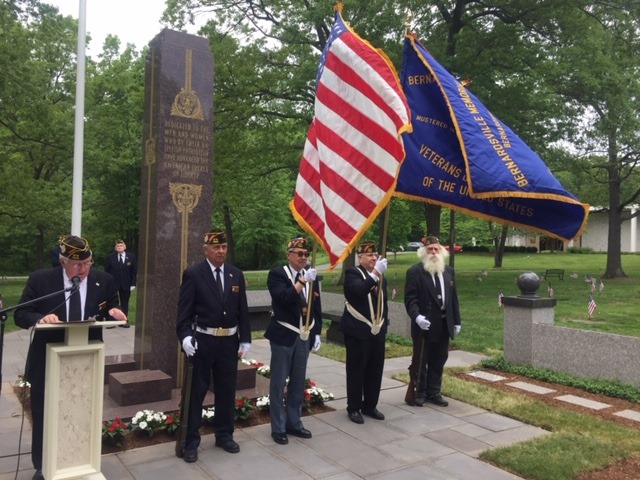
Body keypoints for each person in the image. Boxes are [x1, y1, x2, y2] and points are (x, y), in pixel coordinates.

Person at [14, 235, 127, 480]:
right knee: (45, 414)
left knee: (83, 412)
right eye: (77, 265)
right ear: (63, 261)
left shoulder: (104, 280)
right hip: (47, 360)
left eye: (88, 263)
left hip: (86, 361)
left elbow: (111, 307)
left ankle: (81, 462)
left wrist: (115, 312)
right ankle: (43, 466)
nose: (84, 269)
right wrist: (40, 318)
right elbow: (21, 314)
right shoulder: (41, 280)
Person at [176, 229, 251, 462]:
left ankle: (224, 435)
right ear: (206, 249)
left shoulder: (235, 274)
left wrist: (246, 338)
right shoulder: (194, 274)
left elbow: (242, 309)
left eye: (224, 247)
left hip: (228, 342)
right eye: (216, 247)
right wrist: (185, 337)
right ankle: (190, 441)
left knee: (226, 390)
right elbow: (183, 314)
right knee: (195, 392)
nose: (221, 251)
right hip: (203, 342)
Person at [265, 237, 322, 445]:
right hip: (284, 335)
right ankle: (278, 427)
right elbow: (284, 298)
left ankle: (294, 423)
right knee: (278, 383)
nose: (303, 257)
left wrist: (317, 332)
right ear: (288, 255)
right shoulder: (277, 274)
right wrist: (302, 281)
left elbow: (316, 307)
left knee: (298, 383)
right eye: (299, 254)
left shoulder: (310, 275)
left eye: (305, 254)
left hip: (304, 336)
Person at [404, 235, 461, 407]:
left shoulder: (448, 271)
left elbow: (453, 299)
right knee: (422, 360)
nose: (433, 252)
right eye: (430, 249)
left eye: (436, 249)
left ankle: (434, 392)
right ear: (423, 252)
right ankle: (419, 392)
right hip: (425, 325)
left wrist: (456, 321)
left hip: (444, 323)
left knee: (439, 358)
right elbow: (410, 299)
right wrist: (417, 316)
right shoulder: (415, 272)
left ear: (441, 251)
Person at [340, 241, 389, 424]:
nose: (374, 258)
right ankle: (354, 408)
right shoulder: (352, 273)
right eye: (369, 255)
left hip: (377, 331)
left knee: (375, 371)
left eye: (375, 255)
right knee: (356, 371)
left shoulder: (381, 277)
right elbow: (359, 292)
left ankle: (370, 405)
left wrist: (383, 326)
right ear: (360, 258)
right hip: (357, 331)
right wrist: (375, 274)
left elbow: (383, 303)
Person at [104, 239, 137, 327]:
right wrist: (106, 283)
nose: (119, 247)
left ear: (125, 247)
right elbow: (106, 271)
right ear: (115, 248)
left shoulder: (131, 257)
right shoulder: (110, 257)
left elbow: (133, 272)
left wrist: (133, 284)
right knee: (112, 303)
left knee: (124, 303)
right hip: (113, 284)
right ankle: (111, 322)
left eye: (121, 246)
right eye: (118, 246)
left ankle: (124, 321)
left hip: (126, 284)